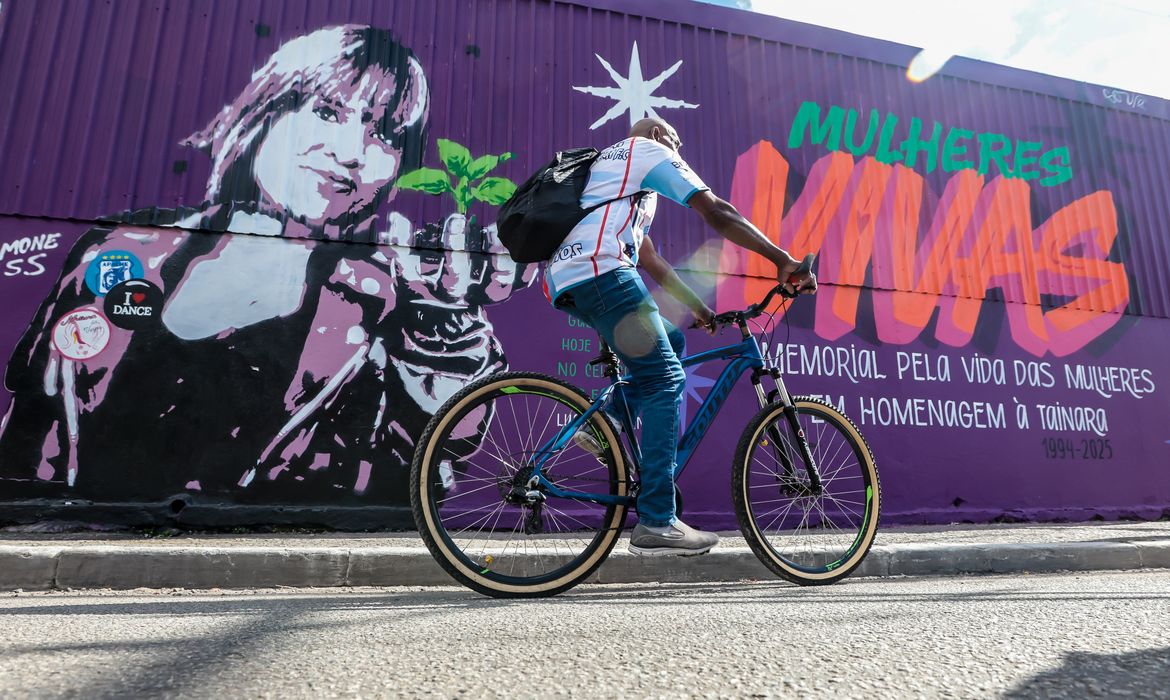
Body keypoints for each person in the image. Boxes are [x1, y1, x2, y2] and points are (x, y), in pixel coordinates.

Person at [0, 25, 533, 502]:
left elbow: (426, 470)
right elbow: (32, 422)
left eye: (386, 134)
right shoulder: (121, 250)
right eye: (326, 112)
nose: (353, 150)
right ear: (267, 114)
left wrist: (445, 330)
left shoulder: (391, 297)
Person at [546, 117, 816, 556]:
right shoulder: (648, 151)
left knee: (670, 344)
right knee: (666, 380)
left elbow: (651, 260)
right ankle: (657, 519)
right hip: (603, 271)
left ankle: (605, 424)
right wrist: (782, 259)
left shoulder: (612, 176)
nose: (679, 153)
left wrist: (698, 308)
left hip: (569, 278)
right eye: (677, 144)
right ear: (657, 137)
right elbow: (717, 211)